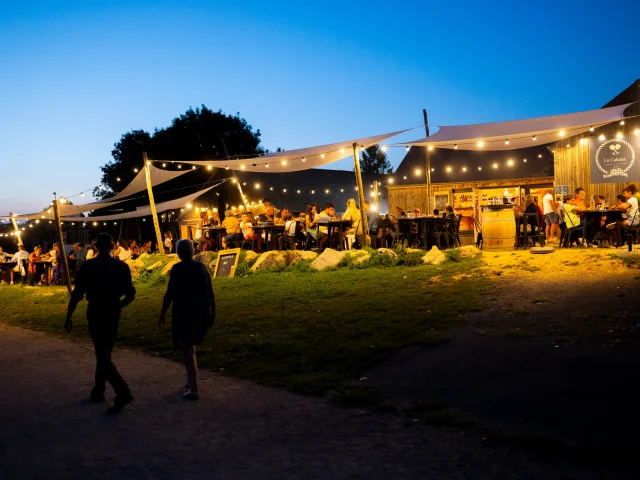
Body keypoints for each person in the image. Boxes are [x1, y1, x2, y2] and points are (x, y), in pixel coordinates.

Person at [65, 232, 136, 413]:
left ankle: (122, 391)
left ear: (95, 246)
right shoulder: (121, 267)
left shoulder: (89, 266)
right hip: (113, 311)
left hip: (96, 310)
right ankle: (99, 390)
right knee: (104, 351)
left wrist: (69, 316)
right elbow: (131, 294)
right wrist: (119, 305)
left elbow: (77, 293)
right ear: (112, 246)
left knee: (102, 352)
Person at [159, 239, 215, 400]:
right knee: (191, 347)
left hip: (184, 312)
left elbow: (170, 293)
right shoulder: (201, 267)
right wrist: (213, 312)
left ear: (178, 253)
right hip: (200, 311)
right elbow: (210, 292)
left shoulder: (177, 269)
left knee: (188, 349)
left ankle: (194, 388)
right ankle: (191, 381)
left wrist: (162, 313)